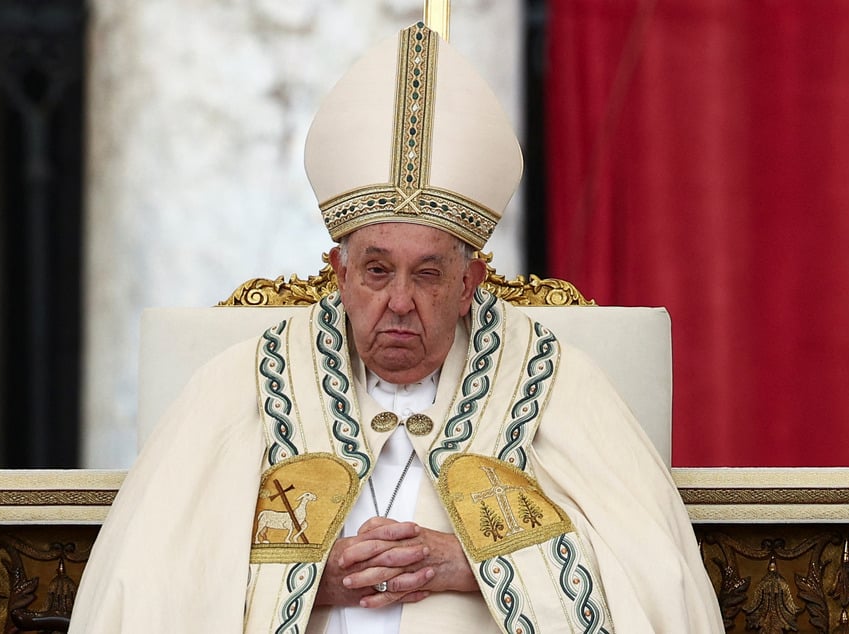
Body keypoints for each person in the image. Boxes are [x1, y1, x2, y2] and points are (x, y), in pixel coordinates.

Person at [68, 21, 724, 633]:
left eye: (429, 275)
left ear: (469, 285)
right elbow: (157, 574)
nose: (400, 302)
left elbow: (651, 574)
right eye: (377, 272)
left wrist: (475, 566)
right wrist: (305, 578)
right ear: (339, 274)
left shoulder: (554, 385)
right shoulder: (241, 384)